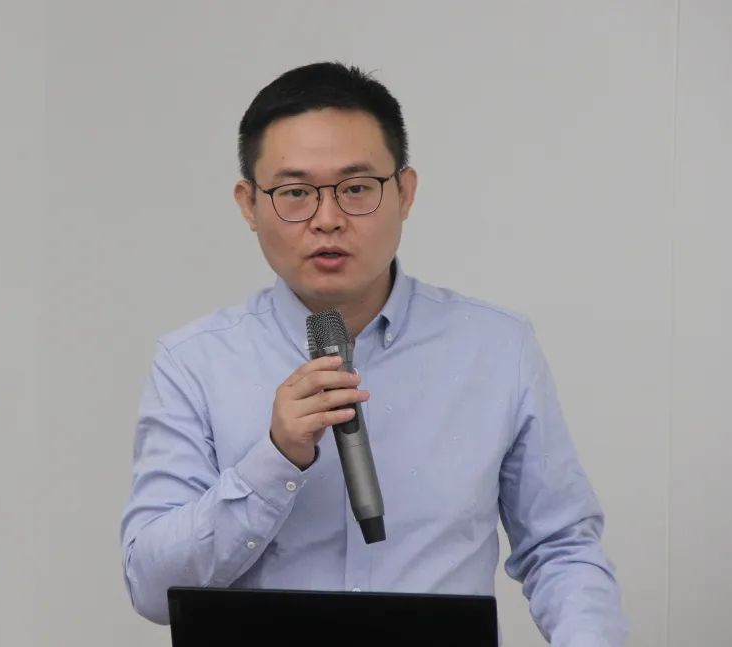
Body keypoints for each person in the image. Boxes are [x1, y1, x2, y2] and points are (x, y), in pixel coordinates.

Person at [120, 61, 628, 646]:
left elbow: (561, 548)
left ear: (404, 192)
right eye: (295, 193)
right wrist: (275, 461)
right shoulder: (194, 362)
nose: (328, 220)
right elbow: (151, 587)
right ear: (249, 204)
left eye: (356, 188)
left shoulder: (496, 347)